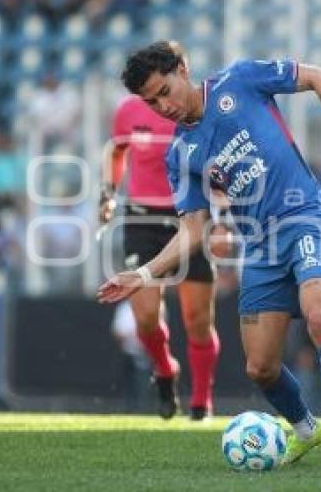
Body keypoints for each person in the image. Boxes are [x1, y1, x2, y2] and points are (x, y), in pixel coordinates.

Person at [97, 41, 321, 472]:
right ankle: (307, 430)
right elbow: (193, 228)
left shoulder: (242, 79)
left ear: (183, 68)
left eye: (164, 90)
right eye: (151, 100)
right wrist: (142, 273)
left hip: (305, 214)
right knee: (260, 367)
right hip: (260, 246)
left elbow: (316, 76)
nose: (163, 105)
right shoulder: (181, 153)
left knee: (319, 315)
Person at [100, 94, 220, 420]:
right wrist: (109, 193)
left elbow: (218, 167)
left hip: (189, 218)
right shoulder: (128, 110)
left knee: (197, 318)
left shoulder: (196, 110)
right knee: (146, 317)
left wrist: (222, 221)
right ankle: (165, 369)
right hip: (141, 220)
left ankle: (200, 402)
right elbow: (117, 151)